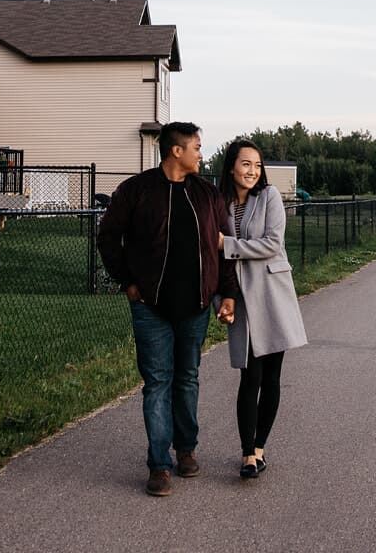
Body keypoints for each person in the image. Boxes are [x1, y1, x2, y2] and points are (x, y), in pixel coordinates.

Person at [96, 122, 237, 496]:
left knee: (187, 379)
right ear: (177, 151)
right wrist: (127, 282)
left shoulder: (207, 195)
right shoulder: (136, 191)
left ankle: (186, 450)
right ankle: (159, 466)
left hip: (195, 306)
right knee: (157, 383)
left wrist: (227, 294)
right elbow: (108, 237)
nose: (201, 154)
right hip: (151, 307)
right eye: (197, 147)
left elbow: (223, 249)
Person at [217, 140, 307, 479]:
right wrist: (220, 300)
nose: (252, 171)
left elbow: (272, 243)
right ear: (231, 168)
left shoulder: (269, 197)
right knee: (248, 376)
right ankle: (246, 454)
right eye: (245, 164)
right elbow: (214, 258)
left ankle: (259, 447)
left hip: (271, 294)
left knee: (271, 376)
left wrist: (229, 245)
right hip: (241, 298)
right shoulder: (220, 203)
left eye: (257, 165)